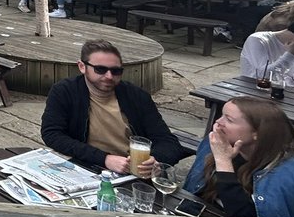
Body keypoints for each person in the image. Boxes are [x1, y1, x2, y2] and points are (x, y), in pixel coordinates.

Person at [40, 39, 185, 176]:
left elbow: (168, 141)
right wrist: (105, 159)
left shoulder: (137, 96)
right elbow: (52, 134)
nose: (109, 76)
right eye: (100, 69)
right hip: (88, 165)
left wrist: (156, 160)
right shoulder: (65, 91)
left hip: (135, 173)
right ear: (82, 67)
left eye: (116, 71)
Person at [239, 14, 294, 87]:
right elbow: (263, 77)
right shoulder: (258, 40)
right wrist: (291, 55)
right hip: (252, 91)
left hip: (287, 95)